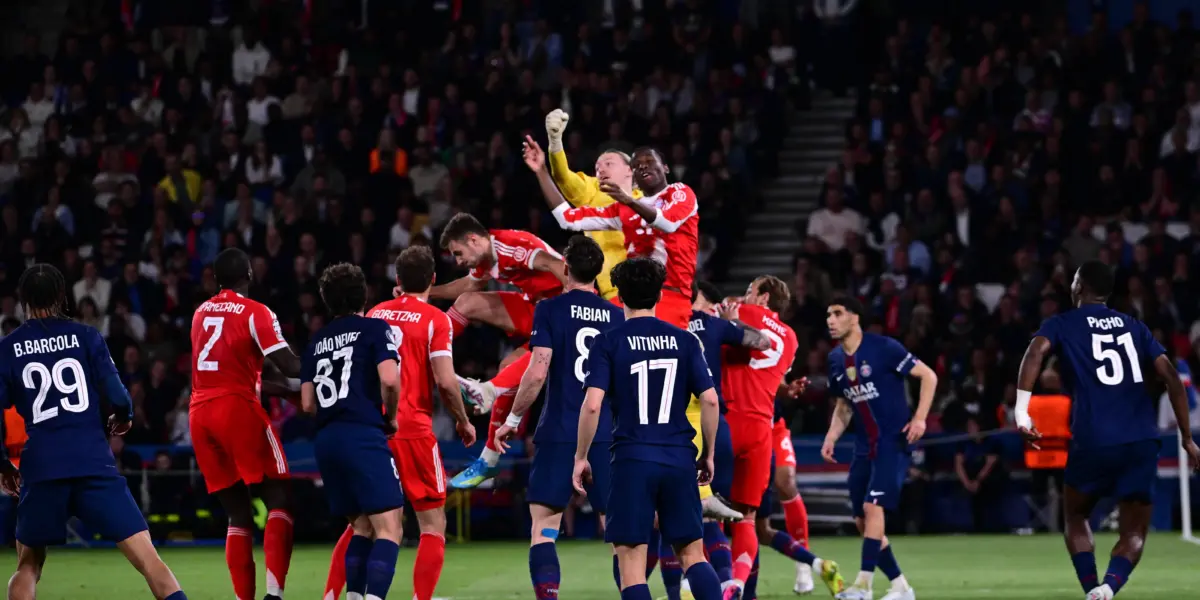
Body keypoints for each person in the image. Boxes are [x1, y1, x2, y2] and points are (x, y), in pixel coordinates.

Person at [1014, 260, 1200, 600]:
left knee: (1075, 514)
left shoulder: (1063, 323)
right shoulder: (1135, 326)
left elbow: (1035, 351)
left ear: (1079, 287)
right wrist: (1187, 439)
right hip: (1142, 440)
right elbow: (1172, 376)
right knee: (1135, 529)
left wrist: (1021, 411)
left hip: (1093, 438)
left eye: (1072, 281)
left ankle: (1090, 589)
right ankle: (1108, 589)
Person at [0, 264, 187, 600]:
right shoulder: (87, 336)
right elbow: (118, 397)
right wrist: (124, 416)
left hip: (43, 467)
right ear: (62, 296)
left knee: (28, 565)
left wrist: (2, 464)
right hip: (92, 462)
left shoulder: (8, 348)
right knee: (148, 559)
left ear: (23, 300)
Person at [323, 246, 478, 600]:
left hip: (372, 432)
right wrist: (463, 420)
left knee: (363, 524)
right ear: (433, 279)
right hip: (413, 430)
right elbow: (445, 380)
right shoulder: (435, 320)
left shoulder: (376, 313)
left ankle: (332, 594)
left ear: (397, 280)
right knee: (432, 523)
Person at [572, 257, 726, 600]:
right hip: (679, 458)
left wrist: (581, 456)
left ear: (620, 297)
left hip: (631, 460)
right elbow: (711, 400)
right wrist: (709, 454)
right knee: (693, 554)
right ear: (659, 295)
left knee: (632, 565)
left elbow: (593, 404)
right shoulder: (685, 341)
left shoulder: (608, 342)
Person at [491, 235, 624, 599]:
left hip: (560, 430)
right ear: (598, 273)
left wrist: (512, 420)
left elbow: (536, 372)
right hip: (606, 434)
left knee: (544, 527)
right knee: (618, 533)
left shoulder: (550, 309)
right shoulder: (616, 316)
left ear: (566, 268)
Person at [189, 247, 301, 600]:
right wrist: (328, 357)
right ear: (249, 275)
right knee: (279, 498)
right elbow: (290, 365)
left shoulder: (199, 313)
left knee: (237, 514)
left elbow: (226, 373)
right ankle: (274, 594)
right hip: (237, 410)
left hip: (200, 414)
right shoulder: (256, 312)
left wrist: (280, 392)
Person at [721, 277, 843, 600]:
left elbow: (714, 309)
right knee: (748, 519)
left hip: (729, 420)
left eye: (750, 291)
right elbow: (766, 372)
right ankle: (741, 587)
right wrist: (785, 390)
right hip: (762, 429)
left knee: (707, 510)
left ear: (762, 297)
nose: (745, 295)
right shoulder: (790, 338)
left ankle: (694, 587)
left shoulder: (745, 311)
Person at [428, 213, 566, 490]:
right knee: (467, 301)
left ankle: (488, 451)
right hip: (536, 307)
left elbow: (560, 266)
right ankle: (427, 357)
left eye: (458, 253)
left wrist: (577, 306)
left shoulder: (513, 246)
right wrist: (427, 291)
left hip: (562, 309)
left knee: (508, 368)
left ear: (473, 239)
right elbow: (469, 285)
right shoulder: (487, 258)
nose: (457, 261)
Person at [301, 263, 405, 600]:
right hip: (361, 434)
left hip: (327, 440)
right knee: (390, 528)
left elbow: (307, 403)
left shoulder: (316, 341)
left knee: (361, 526)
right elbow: (389, 378)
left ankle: (355, 597)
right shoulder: (374, 329)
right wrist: (389, 415)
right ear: (364, 295)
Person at [822, 295, 936, 600]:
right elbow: (844, 404)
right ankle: (900, 586)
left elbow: (928, 375)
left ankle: (863, 585)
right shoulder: (835, 360)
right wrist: (832, 436)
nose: (830, 320)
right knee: (862, 518)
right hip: (863, 447)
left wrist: (920, 419)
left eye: (837, 313)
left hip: (892, 443)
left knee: (873, 508)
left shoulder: (884, 348)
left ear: (854, 317)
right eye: (828, 315)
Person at [523, 136, 699, 329]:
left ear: (665, 168)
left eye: (649, 161)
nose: (643, 166)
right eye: (638, 164)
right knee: (578, 330)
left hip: (669, 297)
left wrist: (629, 201)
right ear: (633, 174)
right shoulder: (622, 209)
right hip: (628, 300)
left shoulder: (680, 193)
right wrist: (541, 171)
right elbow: (567, 218)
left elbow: (667, 223)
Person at [542, 108, 634, 301]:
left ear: (629, 170)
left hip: (657, 293)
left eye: (608, 163)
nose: (600, 169)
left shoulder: (649, 199)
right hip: (613, 295)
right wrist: (556, 143)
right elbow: (563, 177)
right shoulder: (593, 190)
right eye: (597, 167)